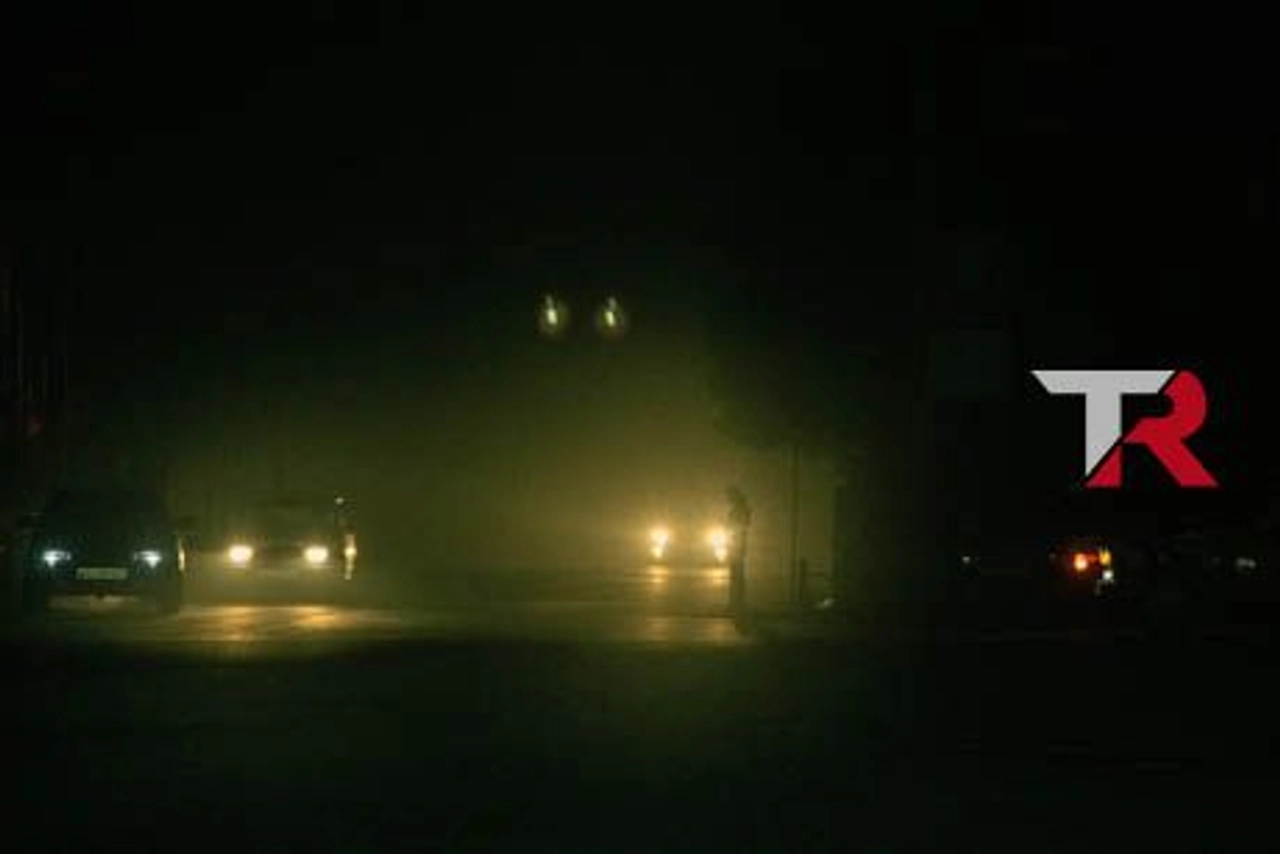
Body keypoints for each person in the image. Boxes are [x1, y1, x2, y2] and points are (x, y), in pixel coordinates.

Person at [726, 486, 751, 620]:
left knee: (736, 574)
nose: (727, 499)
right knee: (737, 574)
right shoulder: (742, 509)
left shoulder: (739, 510)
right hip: (737, 544)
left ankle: (736, 603)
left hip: (737, 544)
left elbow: (739, 527)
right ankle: (737, 602)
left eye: (729, 496)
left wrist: (733, 541)